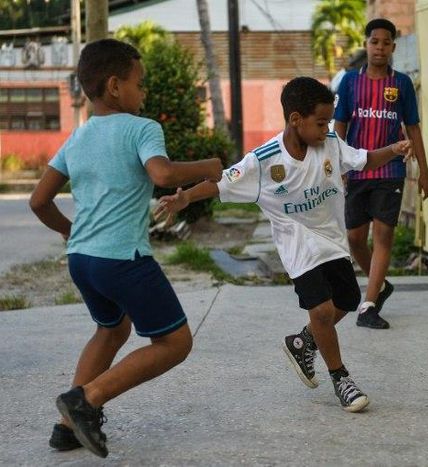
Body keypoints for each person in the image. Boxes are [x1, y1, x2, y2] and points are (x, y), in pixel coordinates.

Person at [155, 77, 413, 412]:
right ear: (295, 119)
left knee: (347, 301)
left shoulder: (331, 144)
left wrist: (392, 150)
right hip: (298, 246)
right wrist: (185, 197)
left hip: (331, 241)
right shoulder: (265, 160)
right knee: (320, 310)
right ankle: (341, 379)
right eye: (320, 122)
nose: (326, 128)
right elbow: (221, 184)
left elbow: (363, 160)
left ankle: (302, 342)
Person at [29, 39, 223, 458]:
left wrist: (70, 233)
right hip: (123, 258)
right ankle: (87, 399)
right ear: (116, 86)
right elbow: (163, 173)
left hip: (82, 260)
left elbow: (38, 201)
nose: (145, 92)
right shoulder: (142, 128)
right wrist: (209, 167)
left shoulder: (77, 138)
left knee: (113, 329)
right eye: (141, 83)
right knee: (175, 343)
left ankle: (67, 427)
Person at [334, 18, 428, 330]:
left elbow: (413, 128)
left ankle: (370, 303)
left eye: (385, 43)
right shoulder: (350, 81)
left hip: (391, 169)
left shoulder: (401, 84)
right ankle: (381, 285)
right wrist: (337, 166)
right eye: (374, 42)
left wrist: (425, 173)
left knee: (384, 235)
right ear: (366, 44)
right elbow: (339, 126)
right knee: (354, 238)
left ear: (393, 47)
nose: (379, 48)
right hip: (358, 168)